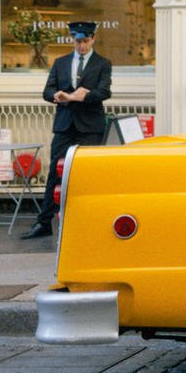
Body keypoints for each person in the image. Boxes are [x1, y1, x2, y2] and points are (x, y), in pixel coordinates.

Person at [21, 21, 112, 239]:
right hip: (65, 125)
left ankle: (90, 222)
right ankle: (44, 223)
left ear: (93, 39)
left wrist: (84, 95)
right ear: (73, 39)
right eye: (78, 41)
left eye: (86, 41)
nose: (82, 46)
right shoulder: (60, 63)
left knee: (89, 174)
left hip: (90, 126)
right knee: (55, 173)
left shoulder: (102, 63)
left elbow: (104, 92)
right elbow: (47, 91)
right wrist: (59, 96)